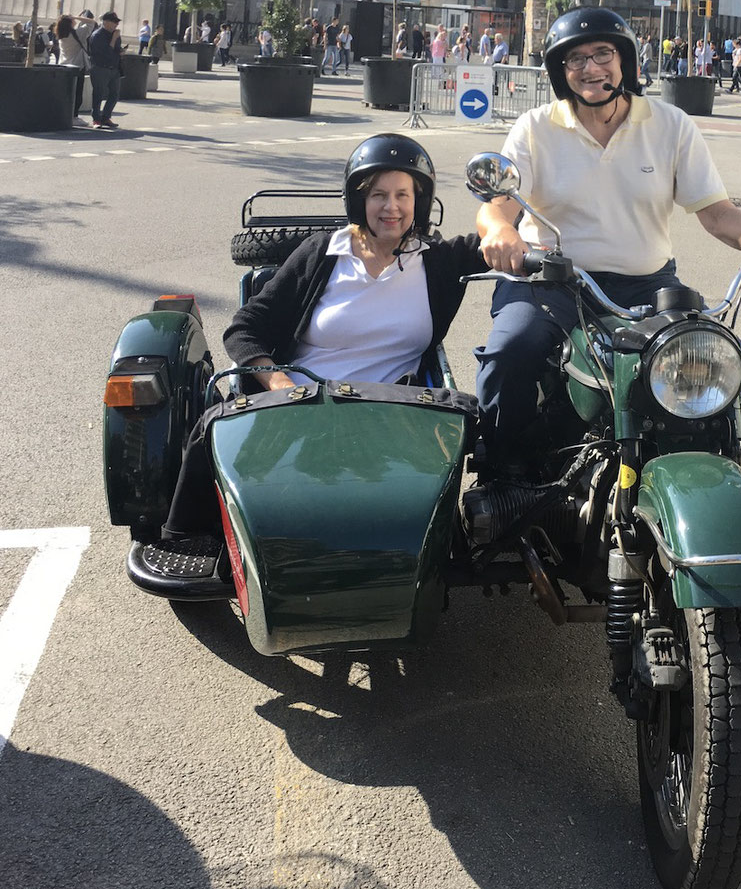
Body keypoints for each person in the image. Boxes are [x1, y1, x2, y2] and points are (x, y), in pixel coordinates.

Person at [141, 135, 521, 581]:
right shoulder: (322, 252)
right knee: (213, 430)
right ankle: (187, 536)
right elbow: (244, 329)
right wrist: (280, 382)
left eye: (403, 195)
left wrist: (506, 229)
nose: (391, 207)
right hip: (300, 399)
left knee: (471, 416)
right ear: (358, 199)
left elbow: (503, 239)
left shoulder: (439, 261)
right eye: (378, 194)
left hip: (389, 408)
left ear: (421, 199)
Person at [474, 7, 741, 468]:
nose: (591, 68)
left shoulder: (670, 124)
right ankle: (502, 476)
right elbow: (498, 207)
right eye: (575, 59)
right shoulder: (535, 128)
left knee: (701, 366)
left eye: (602, 54)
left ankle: (705, 472)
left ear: (626, 62)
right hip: (550, 281)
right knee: (510, 352)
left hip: (645, 285)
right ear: (560, 71)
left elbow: (716, 213)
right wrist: (499, 231)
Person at [87, 11, 123, 129]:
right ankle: (96, 119)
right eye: (114, 22)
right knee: (98, 94)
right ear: (106, 22)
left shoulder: (115, 35)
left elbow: (115, 50)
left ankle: (106, 117)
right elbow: (105, 53)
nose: (116, 25)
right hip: (100, 67)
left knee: (114, 94)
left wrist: (121, 50)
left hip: (113, 68)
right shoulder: (97, 35)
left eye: (117, 22)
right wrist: (113, 39)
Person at [56, 13, 88, 114]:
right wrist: (77, 17)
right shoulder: (77, 33)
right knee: (77, 92)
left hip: (64, 65)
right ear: (70, 22)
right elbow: (92, 23)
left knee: (66, 92)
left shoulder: (61, 34)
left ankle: (63, 113)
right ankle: (74, 115)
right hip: (77, 66)